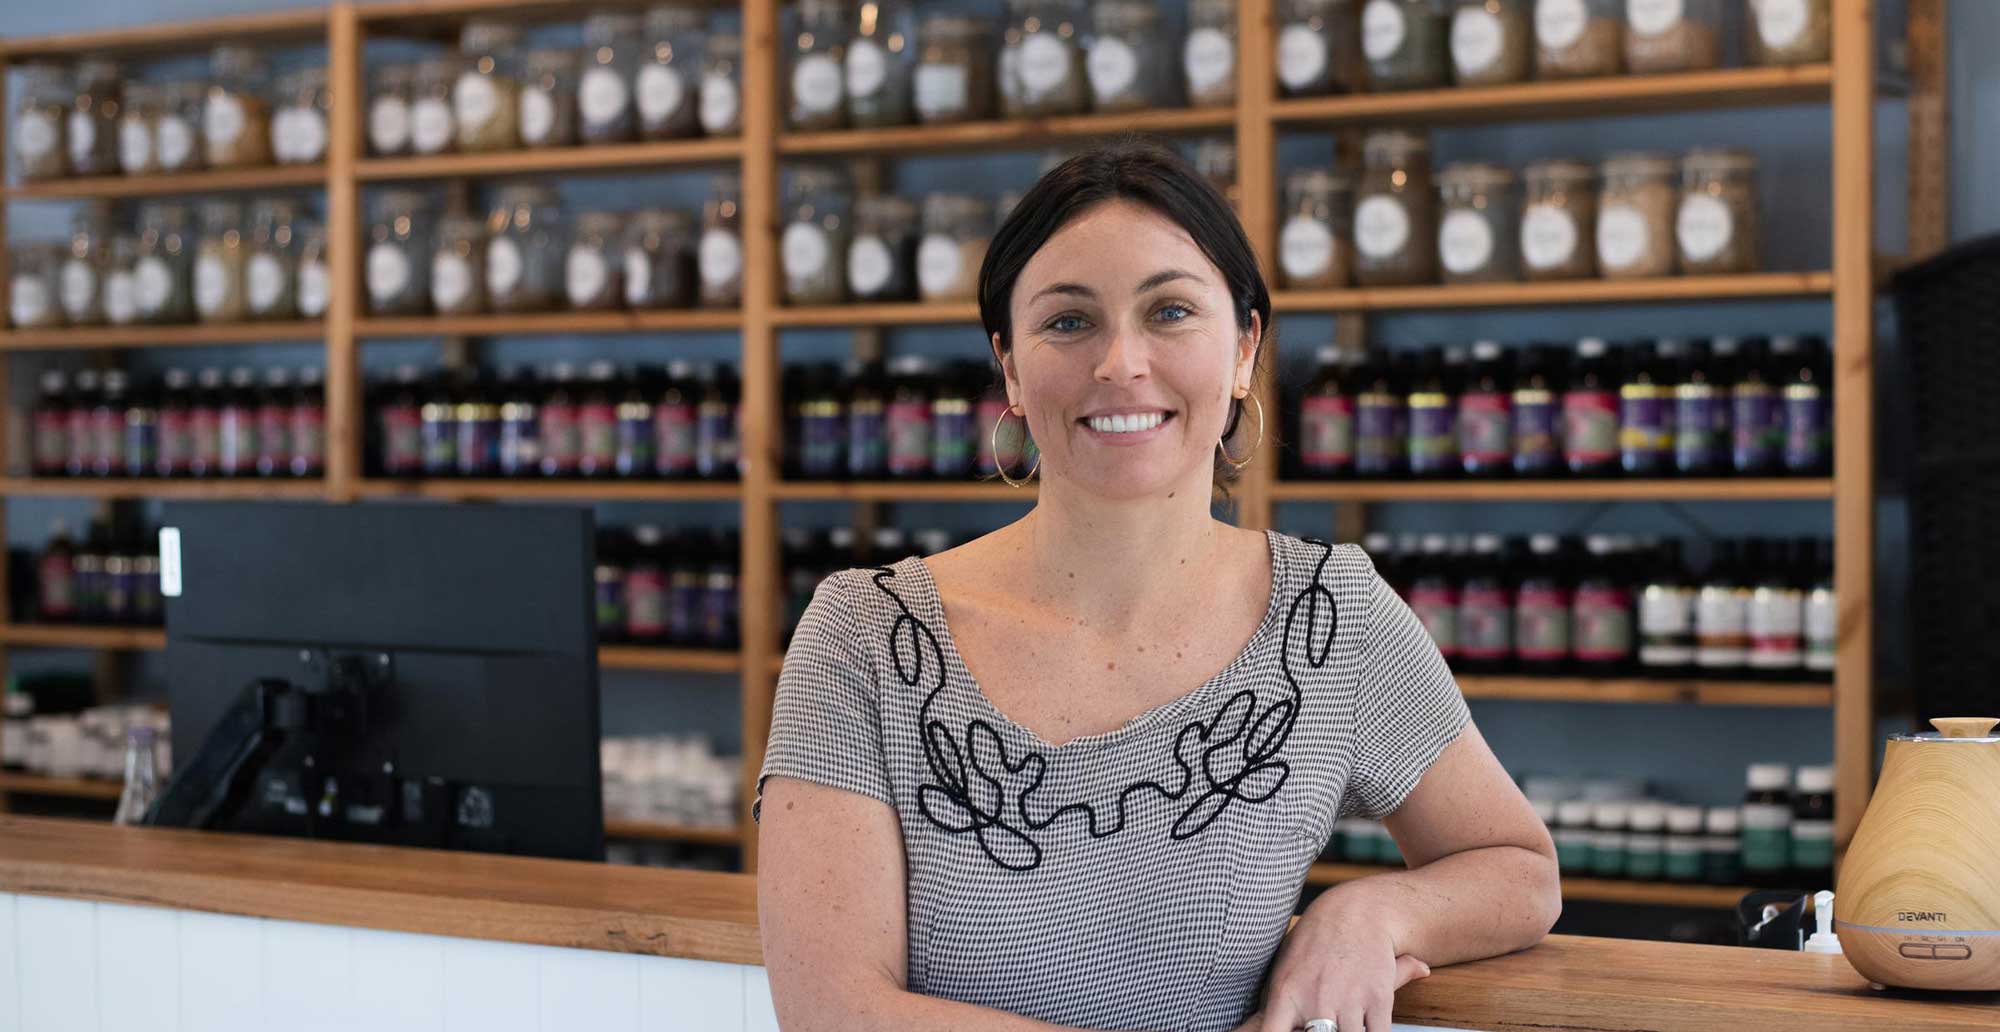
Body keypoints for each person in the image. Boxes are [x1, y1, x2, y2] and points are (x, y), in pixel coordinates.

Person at [755, 141, 1561, 1032]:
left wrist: (1368, 912)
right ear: (1011, 369)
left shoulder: (1333, 617)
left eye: (1170, 310)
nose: (1121, 364)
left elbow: (1519, 868)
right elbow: (832, 1012)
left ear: (1246, 348)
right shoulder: (865, 633)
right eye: (1069, 322)